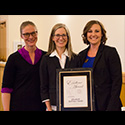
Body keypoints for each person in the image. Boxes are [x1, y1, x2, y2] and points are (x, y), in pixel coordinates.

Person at [1, 21, 46, 111]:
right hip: (18, 107)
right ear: (21, 36)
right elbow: (6, 89)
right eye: (26, 34)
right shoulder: (13, 59)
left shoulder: (45, 57)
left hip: (40, 107)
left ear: (37, 33)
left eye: (33, 33)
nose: (31, 37)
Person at [78, 20, 122, 111]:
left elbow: (117, 82)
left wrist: (111, 107)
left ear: (102, 34)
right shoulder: (81, 56)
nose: (93, 34)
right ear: (86, 34)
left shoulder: (110, 52)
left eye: (97, 31)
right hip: (87, 105)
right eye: (90, 31)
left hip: (108, 105)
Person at [40, 23, 80, 111]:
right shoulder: (46, 59)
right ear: (52, 38)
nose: (61, 38)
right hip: (53, 107)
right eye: (57, 35)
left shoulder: (75, 58)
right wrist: (49, 108)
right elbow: (44, 86)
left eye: (64, 35)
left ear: (68, 38)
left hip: (73, 106)